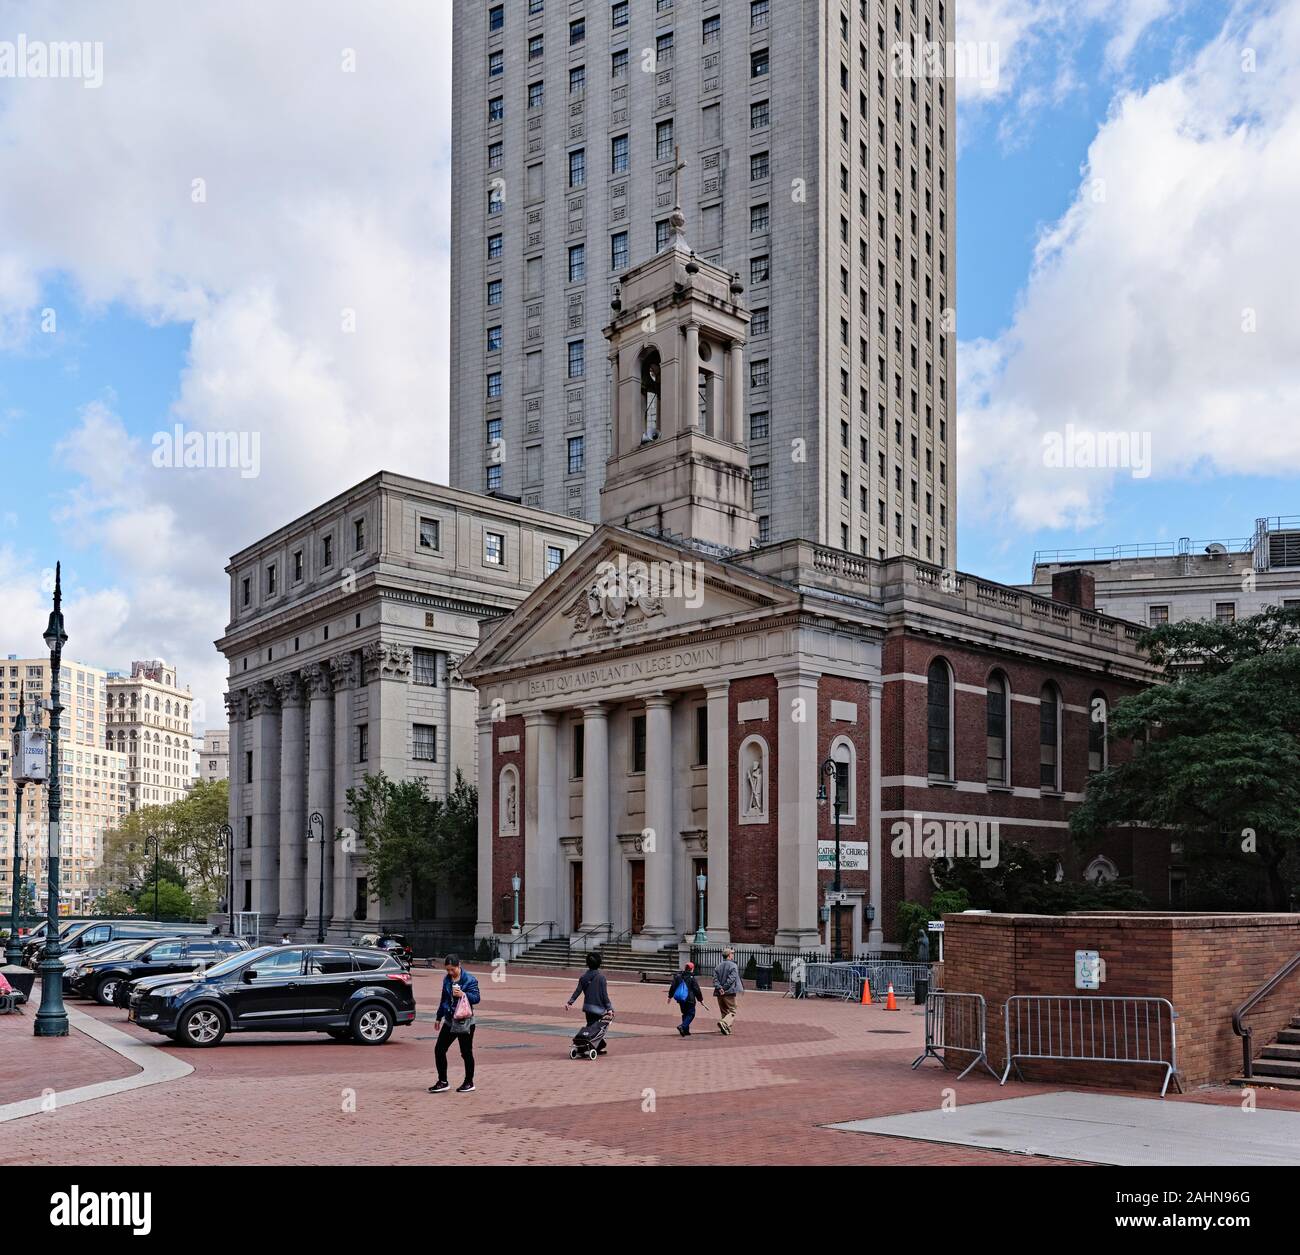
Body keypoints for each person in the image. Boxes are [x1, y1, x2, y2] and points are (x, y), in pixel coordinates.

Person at [429, 954, 480, 1094]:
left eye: (452, 970)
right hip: (450, 1021)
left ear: (459, 966)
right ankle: (443, 1081)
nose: (450, 973)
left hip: (465, 1022)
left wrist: (463, 994)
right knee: (439, 1049)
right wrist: (438, 1017)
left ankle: (469, 1082)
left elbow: (477, 998)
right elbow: (443, 999)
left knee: (466, 1053)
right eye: (448, 970)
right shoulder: (447, 980)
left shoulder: (469, 979)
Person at [565, 951, 614, 1053]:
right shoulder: (601, 978)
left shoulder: (583, 977)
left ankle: (594, 1045)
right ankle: (584, 1046)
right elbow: (604, 995)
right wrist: (609, 1008)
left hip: (588, 1008)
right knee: (593, 1029)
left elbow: (577, 991)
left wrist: (570, 1003)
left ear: (587, 963)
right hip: (599, 1008)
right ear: (599, 963)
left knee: (591, 1026)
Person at [668, 961, 707, 1037]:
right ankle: (682, 1026)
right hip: (690, 999)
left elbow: (673, 987)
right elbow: (697, 990)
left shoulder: (678, 976)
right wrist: (701, 1000)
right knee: (691, 1014)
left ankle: (686, 1031)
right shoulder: (692, 978)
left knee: (685, 1013)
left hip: (681, 999)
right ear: (692, 969)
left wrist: (670, 996)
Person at [712, 948, 743, 1035]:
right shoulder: (733, 966)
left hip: (719, 992)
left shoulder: (718, 966)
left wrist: (720, 988)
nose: (733, 955)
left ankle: (725, 1028)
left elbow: (715, 979)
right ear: (729, 955)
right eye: (732, 954)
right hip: (729, 992)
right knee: (732, 1010)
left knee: (724, 1011)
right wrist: (724, 988)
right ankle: (725, 1023)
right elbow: (731, 979)